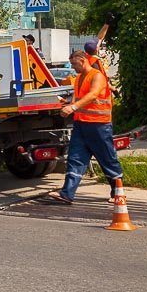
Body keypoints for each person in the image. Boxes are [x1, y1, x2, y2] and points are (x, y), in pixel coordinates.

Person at [47, 49, 122, 204]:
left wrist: (72, 108)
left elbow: (93, 95)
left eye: (74, 64)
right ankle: (66, 194)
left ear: (82, 60)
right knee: (75, 159)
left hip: (99, 125)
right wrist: (68, 105)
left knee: (107, 158)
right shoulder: (79, 77)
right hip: (81, 124)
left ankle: (118, 192)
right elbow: (78, 98)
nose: (73, 67)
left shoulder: (97, 76)